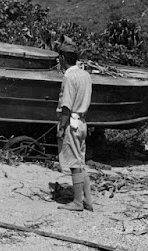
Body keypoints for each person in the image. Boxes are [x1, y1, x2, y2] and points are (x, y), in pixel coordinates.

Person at [56, 38, 93, 211]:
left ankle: (78, 202)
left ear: (63, 58)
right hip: (82, 122)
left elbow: (66, 106)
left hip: (72, 122)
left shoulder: (69, 76)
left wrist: (61, 127)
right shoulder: (85, 75)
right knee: (80, 161)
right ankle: (87, 200)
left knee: (74, 163)